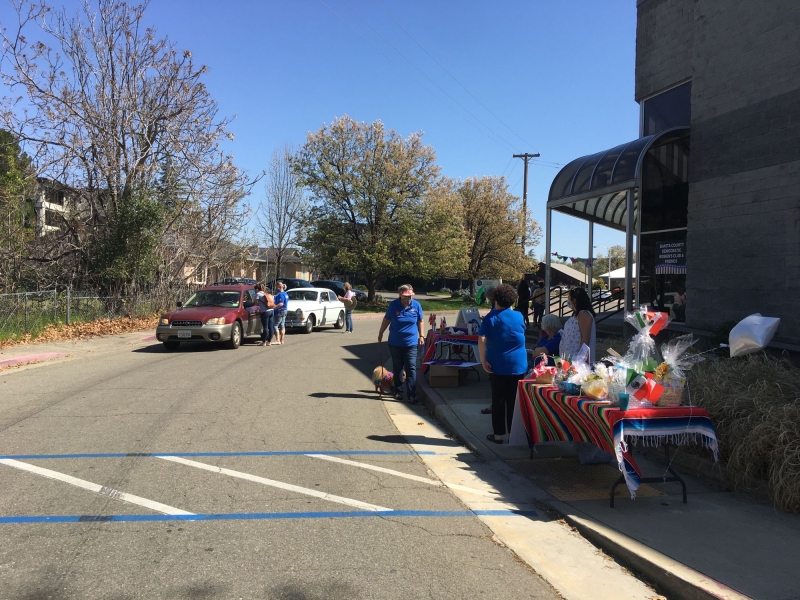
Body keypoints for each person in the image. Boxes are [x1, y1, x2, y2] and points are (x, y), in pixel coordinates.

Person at [478, 283, 527, 444]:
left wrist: (483, 360)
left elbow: (482, 339)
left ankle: (498, 434)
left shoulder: (491, 318)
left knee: (498, 400)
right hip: (518, 364)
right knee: (514, 400)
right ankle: (515, 433)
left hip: (498, 364)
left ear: (496, 299)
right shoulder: (519, 316)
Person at [377, 284, 425, 404]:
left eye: (410, 296)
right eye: (405, 296)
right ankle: (398, 391)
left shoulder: (416, 305)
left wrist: (422, 335)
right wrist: (381, 333)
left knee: (411, 368)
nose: (408, 299)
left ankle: (412, 394)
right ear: (400, 295)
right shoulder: (393, 305)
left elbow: (420, 321)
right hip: (395, 343)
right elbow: (387, 320)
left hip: (411, 343)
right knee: (398, 367)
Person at [559, 287, 596, 363]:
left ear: (574, 300)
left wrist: (580, 359)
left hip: (577, 360)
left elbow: (586, 337)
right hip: (569, 358)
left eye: (569, 298)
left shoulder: (584, 314)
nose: (568, 301)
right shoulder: (577, 314)